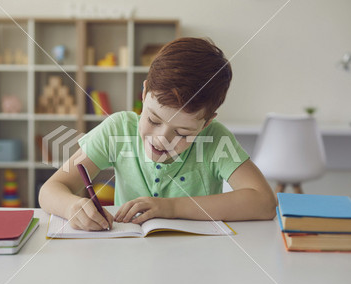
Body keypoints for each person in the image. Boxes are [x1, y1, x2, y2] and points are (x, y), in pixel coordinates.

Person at [39, 37, 276, 231]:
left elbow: (264, 202)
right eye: (153, 119)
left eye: (183, 133)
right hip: (128, 259)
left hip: (199, 262)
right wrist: (72, 207)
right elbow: (50, 190)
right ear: (144, 94)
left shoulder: (215, 139)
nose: (162, 139)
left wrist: (170, 208)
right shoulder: (117, 130)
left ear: (206, 124)